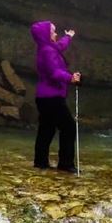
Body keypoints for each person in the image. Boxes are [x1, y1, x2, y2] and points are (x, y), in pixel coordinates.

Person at [30, 20, 81, 172]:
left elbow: (60, 45)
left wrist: (68, 37)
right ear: (46, 34)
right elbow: (54, 72)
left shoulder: (48, 47)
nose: (56, 34)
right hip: (52, 98)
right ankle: (66, 164)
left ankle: (40, 163)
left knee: (47, 129)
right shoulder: (47, 51)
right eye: (53, 31)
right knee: (69, 127)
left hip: (44, 98)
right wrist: (70, 78)